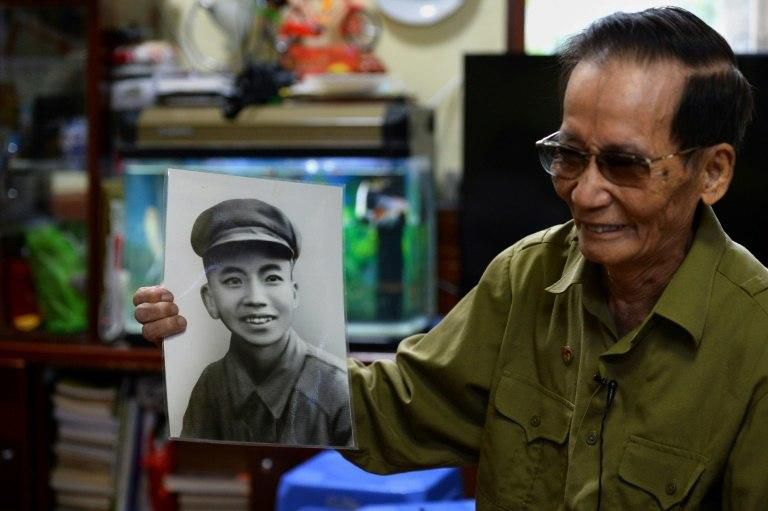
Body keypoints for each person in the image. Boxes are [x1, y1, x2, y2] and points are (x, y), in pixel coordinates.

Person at [133, 7, 768, 508]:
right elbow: (396, 406)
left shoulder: (755, 337)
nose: (585, 192)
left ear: (712, 172)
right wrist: (205, 346)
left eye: (624, 164)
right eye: (570, 156)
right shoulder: (527, 277)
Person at [175, 198, 352, 446]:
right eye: (233, 281)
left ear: (294, 293)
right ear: (210, 300)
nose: (256, 299)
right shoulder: (210, 385)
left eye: (272, 278)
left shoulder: (337, 390)